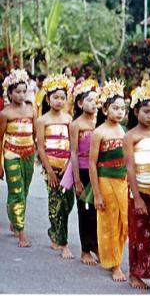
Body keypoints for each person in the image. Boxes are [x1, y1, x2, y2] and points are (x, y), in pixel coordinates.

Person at [123, 79, 150, 293]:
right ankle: (135, 273)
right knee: (139, 235)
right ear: (136, 111)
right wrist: (136, 196)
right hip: (138, 192)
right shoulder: (130, 136)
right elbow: (130, 168)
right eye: (146, 111)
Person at [89, 79, 128, 282]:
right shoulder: (99, 132)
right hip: (106, 181)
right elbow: (93, 164)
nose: (120, 112)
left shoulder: (124, 131)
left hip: (122, 182)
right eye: (115, 108)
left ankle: (116, 257)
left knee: (124, 222)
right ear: (105, 109)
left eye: (122, 108)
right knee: (111, 222)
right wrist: (96, 194)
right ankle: (114, 264)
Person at [60, 78, 99, 265]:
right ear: (79, 103)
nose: (93, 103)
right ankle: (85, 250)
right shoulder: (76, 125)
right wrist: (76, 179)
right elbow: (74, 153)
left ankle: (97, 245)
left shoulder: (100, 122)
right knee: (85, 210)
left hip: (99, 171)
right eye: (89, 100)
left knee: (98, 210)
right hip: (83, 170)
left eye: (96, 100)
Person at [36, 74, 74, 259]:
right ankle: (62, 242)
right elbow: (41, 148)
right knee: (55, 204)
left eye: (62, 97)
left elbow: (72, 145)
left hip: (68, 168)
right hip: (51, 168)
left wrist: (69, 166)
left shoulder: (68, 119)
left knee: (68, 203)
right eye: (55, 97)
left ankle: (54, 232)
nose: (59, 101)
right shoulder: (42, 120)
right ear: (47, 99)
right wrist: (50, 171)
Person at [0, 69, 36, 247]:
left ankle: (14, 219)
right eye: (17, 91)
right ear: (10, 93)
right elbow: (0, 139)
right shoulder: (5, 114)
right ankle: (21, 232)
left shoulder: (31, 110)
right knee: (16, 191)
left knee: (24, 191)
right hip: (11, 155)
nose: (21, 95)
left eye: (24, 91)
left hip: (29, 154)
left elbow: (36, 134)